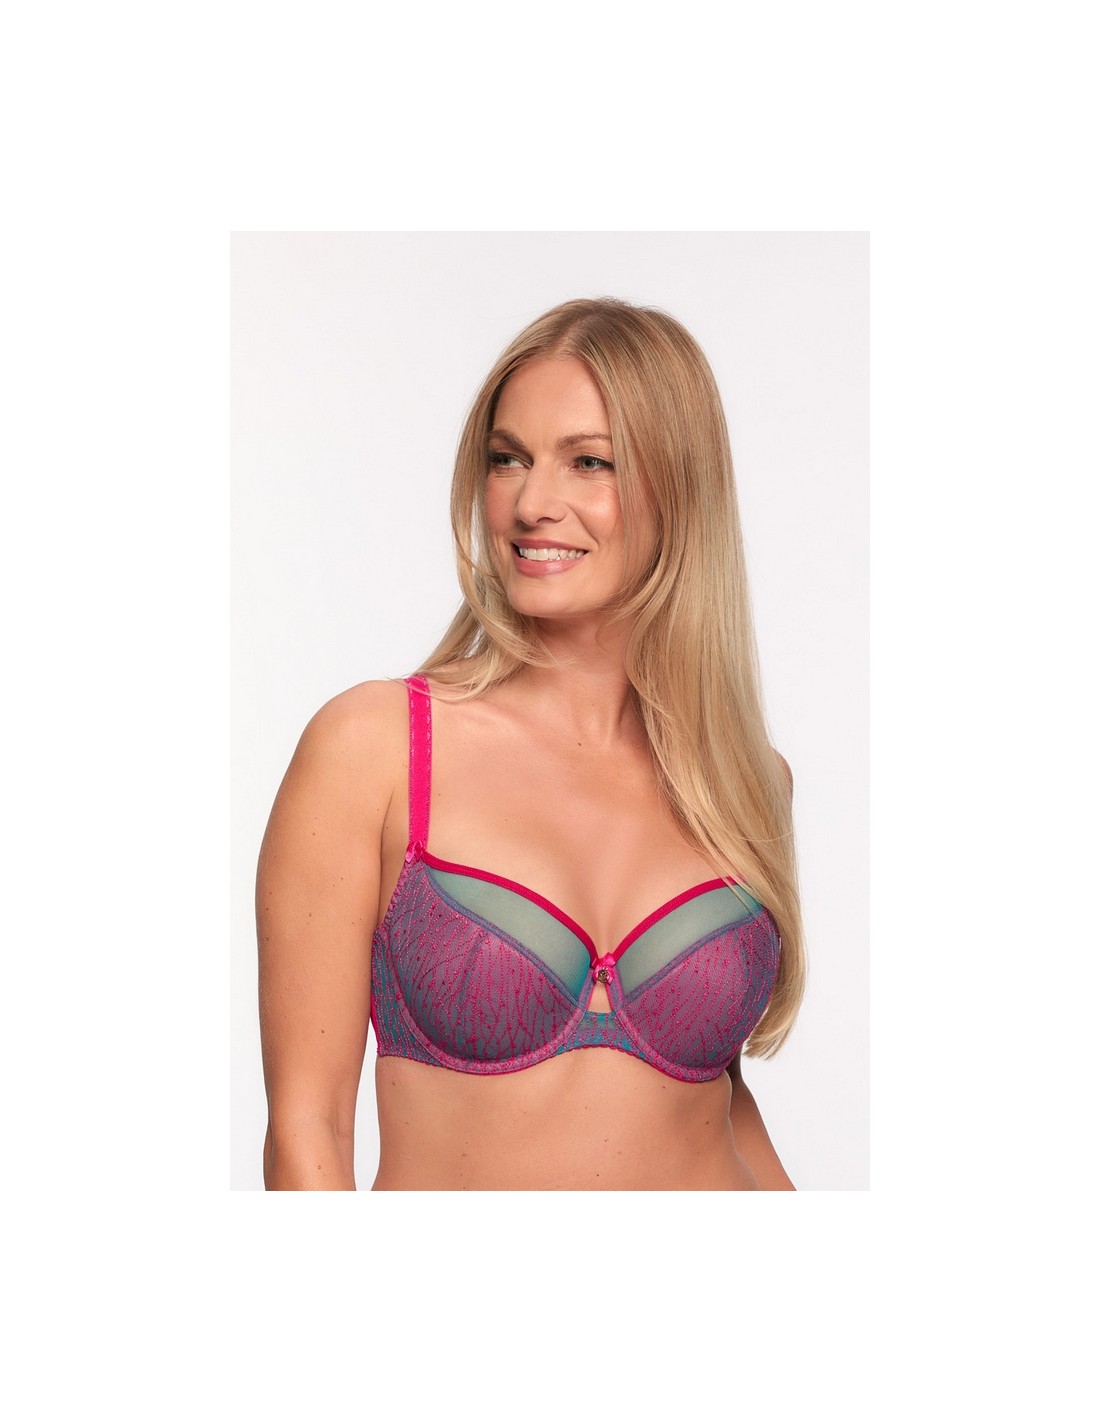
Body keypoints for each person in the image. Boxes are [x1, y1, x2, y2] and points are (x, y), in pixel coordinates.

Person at [257, 297, 805, 1190]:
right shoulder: (375, 749)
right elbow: (305, 1132)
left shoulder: (743, 781)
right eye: (507, 459)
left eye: (589, 462)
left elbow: (715, 1098)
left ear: (680, 488)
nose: (531, 503)